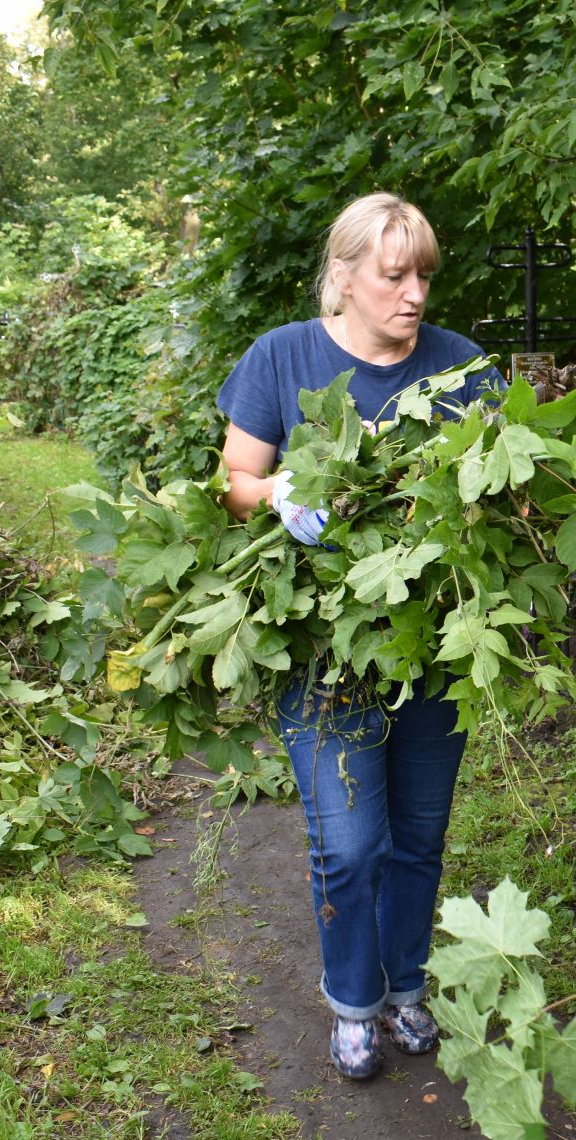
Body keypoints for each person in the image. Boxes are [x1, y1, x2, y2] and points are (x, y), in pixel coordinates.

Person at [217, 192, 504, 1081]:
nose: (414, 293)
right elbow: (233, 480)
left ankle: (406, 985)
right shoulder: (284, 357)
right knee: (349, 843)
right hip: (325, 650)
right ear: (342, 278)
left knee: (419, 835)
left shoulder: (464, 368)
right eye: (393, 275)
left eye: (423, 275)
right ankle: (353, 1001)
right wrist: (282, 496)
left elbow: (501, 490)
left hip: (433, 641)